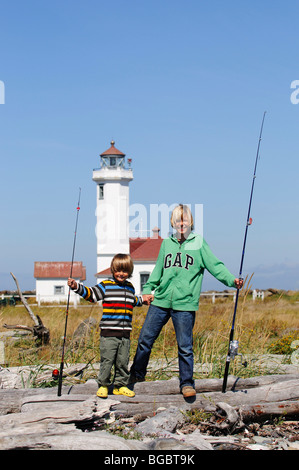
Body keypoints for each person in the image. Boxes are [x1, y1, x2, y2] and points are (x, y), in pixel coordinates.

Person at [130, 204, 243, 398]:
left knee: (185, 346)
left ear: (191, 222)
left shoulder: (199, 242)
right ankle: (135, 377)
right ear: (172, 223)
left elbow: (215, 265)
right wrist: (148, 289)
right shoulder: (167, 243)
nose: (181, 223)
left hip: (185, 304)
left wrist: (231, 280)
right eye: (177, 220)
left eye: (184, 220)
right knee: (145, 341)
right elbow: (158, 270)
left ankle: (187, 383)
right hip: (161, 301)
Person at [68, 253, 150, 398]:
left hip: (125, 334)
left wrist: (142, 299)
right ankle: (103, 385)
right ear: (113, 270)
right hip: (108, 333)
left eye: (125, 271)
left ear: (129, 272)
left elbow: (133, 301)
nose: (121, 274)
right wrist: (77, 287)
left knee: (123, 362)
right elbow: (91, 295)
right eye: (118, 270)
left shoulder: (130, 287)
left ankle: (120, 385)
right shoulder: (106, 285)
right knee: (107, 360)